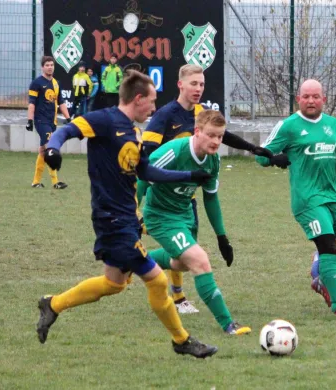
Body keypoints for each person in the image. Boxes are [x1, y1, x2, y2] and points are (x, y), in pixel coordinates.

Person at [35, 70, 218, 358]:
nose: (155, 108)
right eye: (152, 101)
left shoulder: (134, 131)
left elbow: (146, 171)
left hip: (128, 219)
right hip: (112, 220)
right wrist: (53, 149)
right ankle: (182, 340)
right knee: (158, 280)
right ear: (138, 98)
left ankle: (53, 304)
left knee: (113, 284)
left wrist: (189, 175)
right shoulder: (104, 120)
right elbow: (65, 130)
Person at [140, 64, 272, 314]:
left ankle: (171, 289)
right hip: (161, 195)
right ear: (181, 84)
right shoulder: (165, 115)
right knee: (181, 247)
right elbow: (146, 160)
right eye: (193, 84)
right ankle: (178, 297)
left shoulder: (202, 113)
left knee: (186, 251)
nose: (198, 89)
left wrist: (252, 148)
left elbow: (223, 134)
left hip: (186, 196)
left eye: (201, 84)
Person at [256, 79, 336, 318]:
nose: (311, 101)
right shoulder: (288, 126)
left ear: (324, 99)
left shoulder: (334, 125)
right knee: (328, 246)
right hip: (308, 199)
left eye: (315, 96)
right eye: (306, 96)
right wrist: (274, 158)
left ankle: (323, 279)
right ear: (298, 99)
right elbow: (261, 154)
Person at [137, 110, 251, 335]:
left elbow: (210, 197)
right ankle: (228, 324)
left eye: (220, 136)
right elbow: (142, 178)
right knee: (200, 261)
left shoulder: (213, 160)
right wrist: (133, 214)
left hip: (185, 215)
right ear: (197, 131)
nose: (217, 141)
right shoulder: (173, 152)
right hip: (160, 215)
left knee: (181, 263)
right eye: (211, 135)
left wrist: (222, 237)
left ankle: (139, 261)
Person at [26, 55, 70, 189]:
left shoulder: (56, 83)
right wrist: (30, 120)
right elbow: (31, 104)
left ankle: (35, 182)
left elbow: (61, 102)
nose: (50, 67)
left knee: (42, 151)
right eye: (47, 65)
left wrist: (68, 119)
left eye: (52, 65)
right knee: (51, 148)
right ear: (42, 67)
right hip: (41, 121)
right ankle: (55, 182)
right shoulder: (36, 83)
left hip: (52, 122)